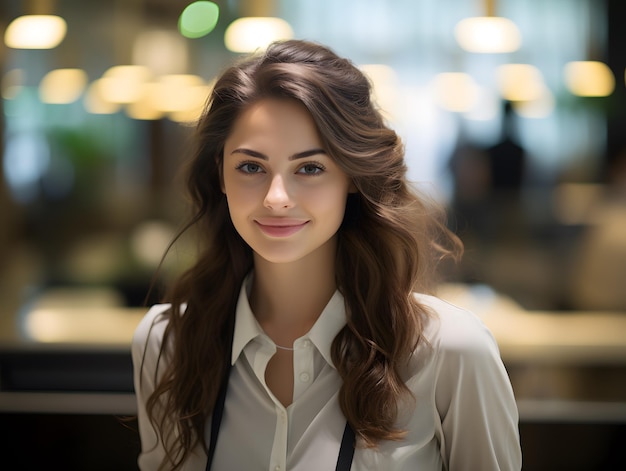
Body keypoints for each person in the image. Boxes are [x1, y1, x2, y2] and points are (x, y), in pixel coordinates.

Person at [132, 39, 522, 470]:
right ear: (219, 174)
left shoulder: (449, 351)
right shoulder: (168, 344)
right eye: (250, 167)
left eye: (310, 168)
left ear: (352, 177)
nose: (276, 197)